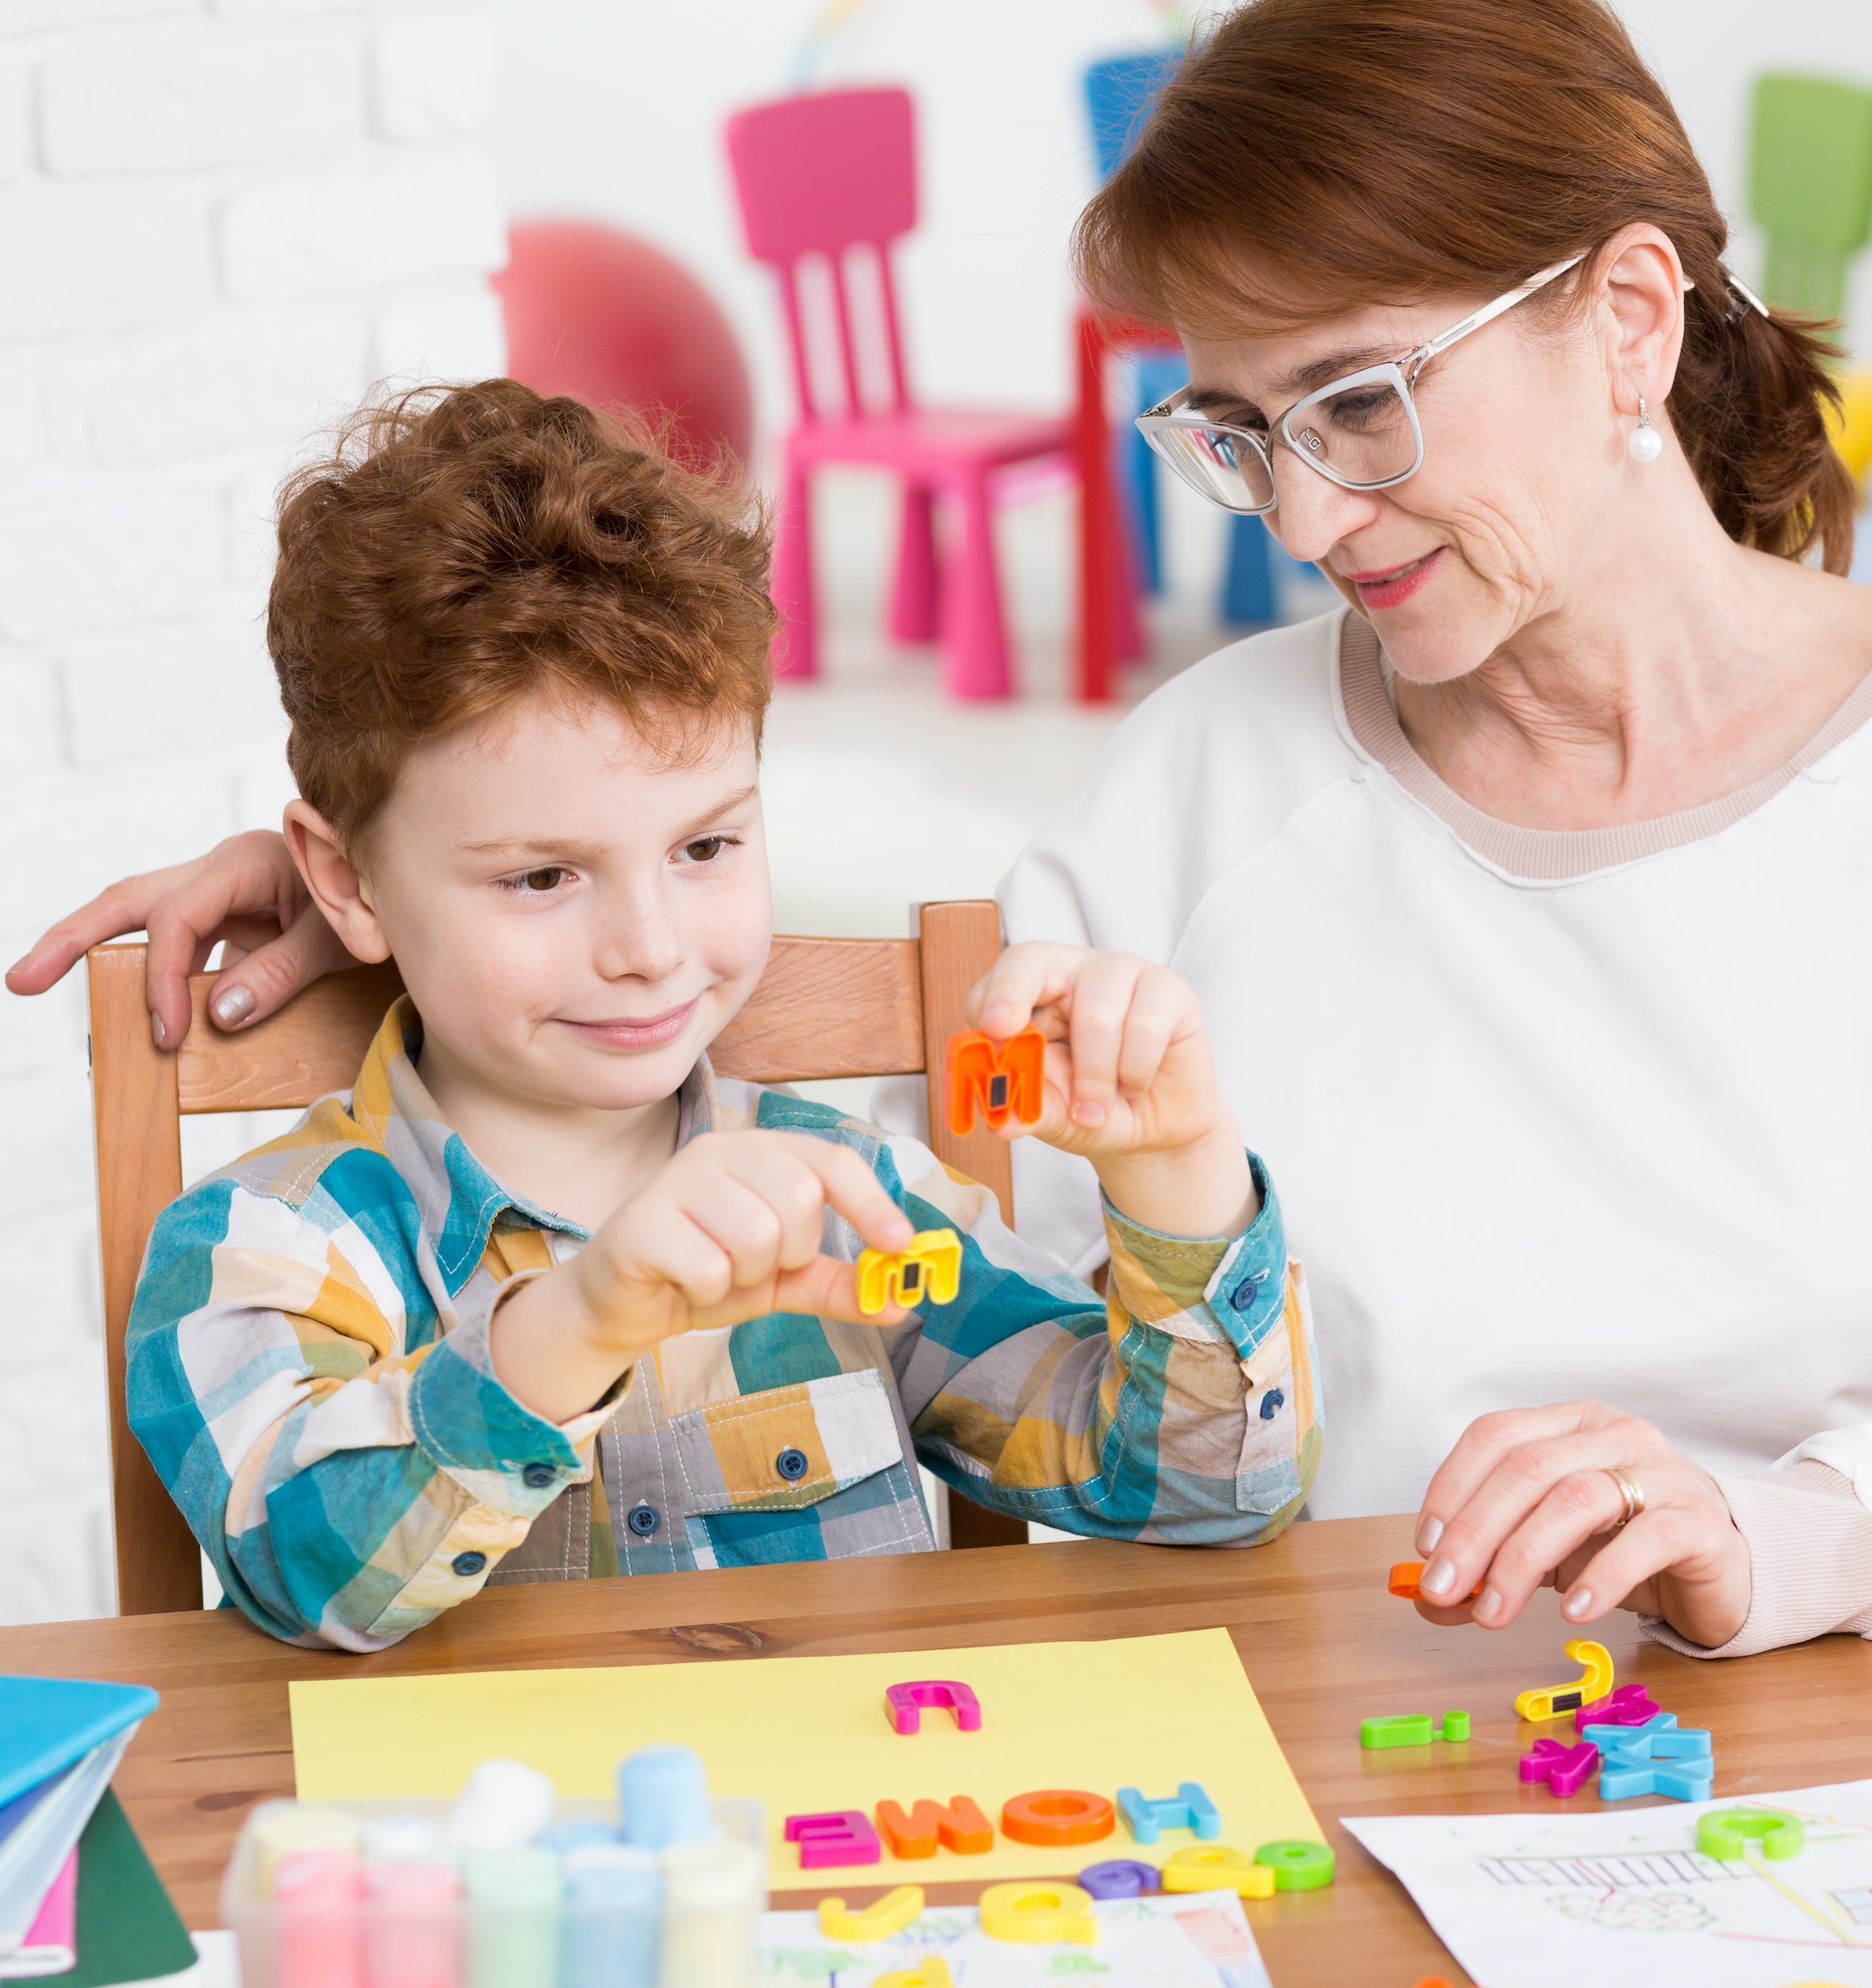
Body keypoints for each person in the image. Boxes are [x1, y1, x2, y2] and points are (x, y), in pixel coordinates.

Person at [17, 0, 1872, 1660]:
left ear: (1629, 318)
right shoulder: (1200, 779)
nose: (1298, 520)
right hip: (1340, 1754)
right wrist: (416, 887)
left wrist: (1804, 1531)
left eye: (1358, 403)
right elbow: (1062, 1354)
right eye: (1240, 432)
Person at [111, 381, 1313, 1652]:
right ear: (346, 880)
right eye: (540, 876)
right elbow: (305, 1570)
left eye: (704, 846)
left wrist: (1176, 1170)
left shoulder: (855, 1201)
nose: (649, 949)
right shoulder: (264, 1245)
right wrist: (574, 1321)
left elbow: (1204, 1493)